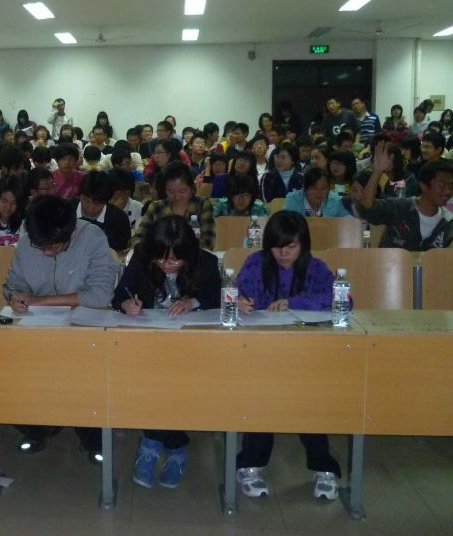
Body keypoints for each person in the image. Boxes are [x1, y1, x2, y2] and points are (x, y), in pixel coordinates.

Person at [235, 211, 340, 501]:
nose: (283, 253)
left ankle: (324, 467)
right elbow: (234, 292)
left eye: (291, 246)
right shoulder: (256, 263)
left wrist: (293, 302)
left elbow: (341, 298)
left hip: (305, 355)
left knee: (309, 401)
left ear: (303, 245)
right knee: (262, 397)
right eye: (277, 246)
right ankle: (250, 463)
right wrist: (239, 301)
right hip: (261, 352)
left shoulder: (316, 268)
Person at [3, 195, 118, 462]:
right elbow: (13, 284)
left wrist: (42, 301)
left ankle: (91, 437)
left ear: (71, 232)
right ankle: (39, 426)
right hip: (38, 327)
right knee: (10, 373)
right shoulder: (28, 241)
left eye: (53, 247)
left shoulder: (93, 238)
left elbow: (101, 294)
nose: (45, 251)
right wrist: (14, 296)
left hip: (84, 327)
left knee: (87, 377)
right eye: (40, 246)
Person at [112, 215, 221, 488]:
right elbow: (119, 295)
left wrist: (192, 302)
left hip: (193, 346)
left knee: (170, 382)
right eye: (161, 259)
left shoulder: (206, 262)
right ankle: (175, 445)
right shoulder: (141, 257)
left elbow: (217, 299)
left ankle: (152, 443)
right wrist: (127, 305)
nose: (168, 265)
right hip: (148, 342)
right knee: (152, 379)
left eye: (175, 260)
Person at [356, 142, 453, 250]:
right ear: (423, 185)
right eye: (442, 186)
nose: (447, 191)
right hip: (392, 262)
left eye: (451, 186)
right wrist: (377, 171)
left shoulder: (448, 219)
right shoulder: (399, 207)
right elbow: (366, 207)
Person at [135, 161, 216, 250]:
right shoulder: (156, 207)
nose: (176, 197)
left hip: (194, 257)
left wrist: (173, 248)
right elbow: (137, 238)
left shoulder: (202, 205)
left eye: (182, 191)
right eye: (171, 192)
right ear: (165, 190)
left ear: (192, 188)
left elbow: (208, 242)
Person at [74, 171, 131, 251]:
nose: (90, 208)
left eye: (97, 204)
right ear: (79, 195)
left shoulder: (119, 219)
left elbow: (120, 252)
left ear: (106, 202)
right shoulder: (64, 211)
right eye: (86, 201)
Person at [283, 167, 351, 217]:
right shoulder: (293, 200)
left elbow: (348, 219)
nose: (319, 193)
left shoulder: (335, 200)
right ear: (304, 187)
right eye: (314, 188)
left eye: (324, 188)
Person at [108, 167, 143, 235]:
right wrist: (114, 212)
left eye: (127, 193)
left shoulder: (139, 208)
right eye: (118, 194)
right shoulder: (101, 207)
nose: (122, 196)